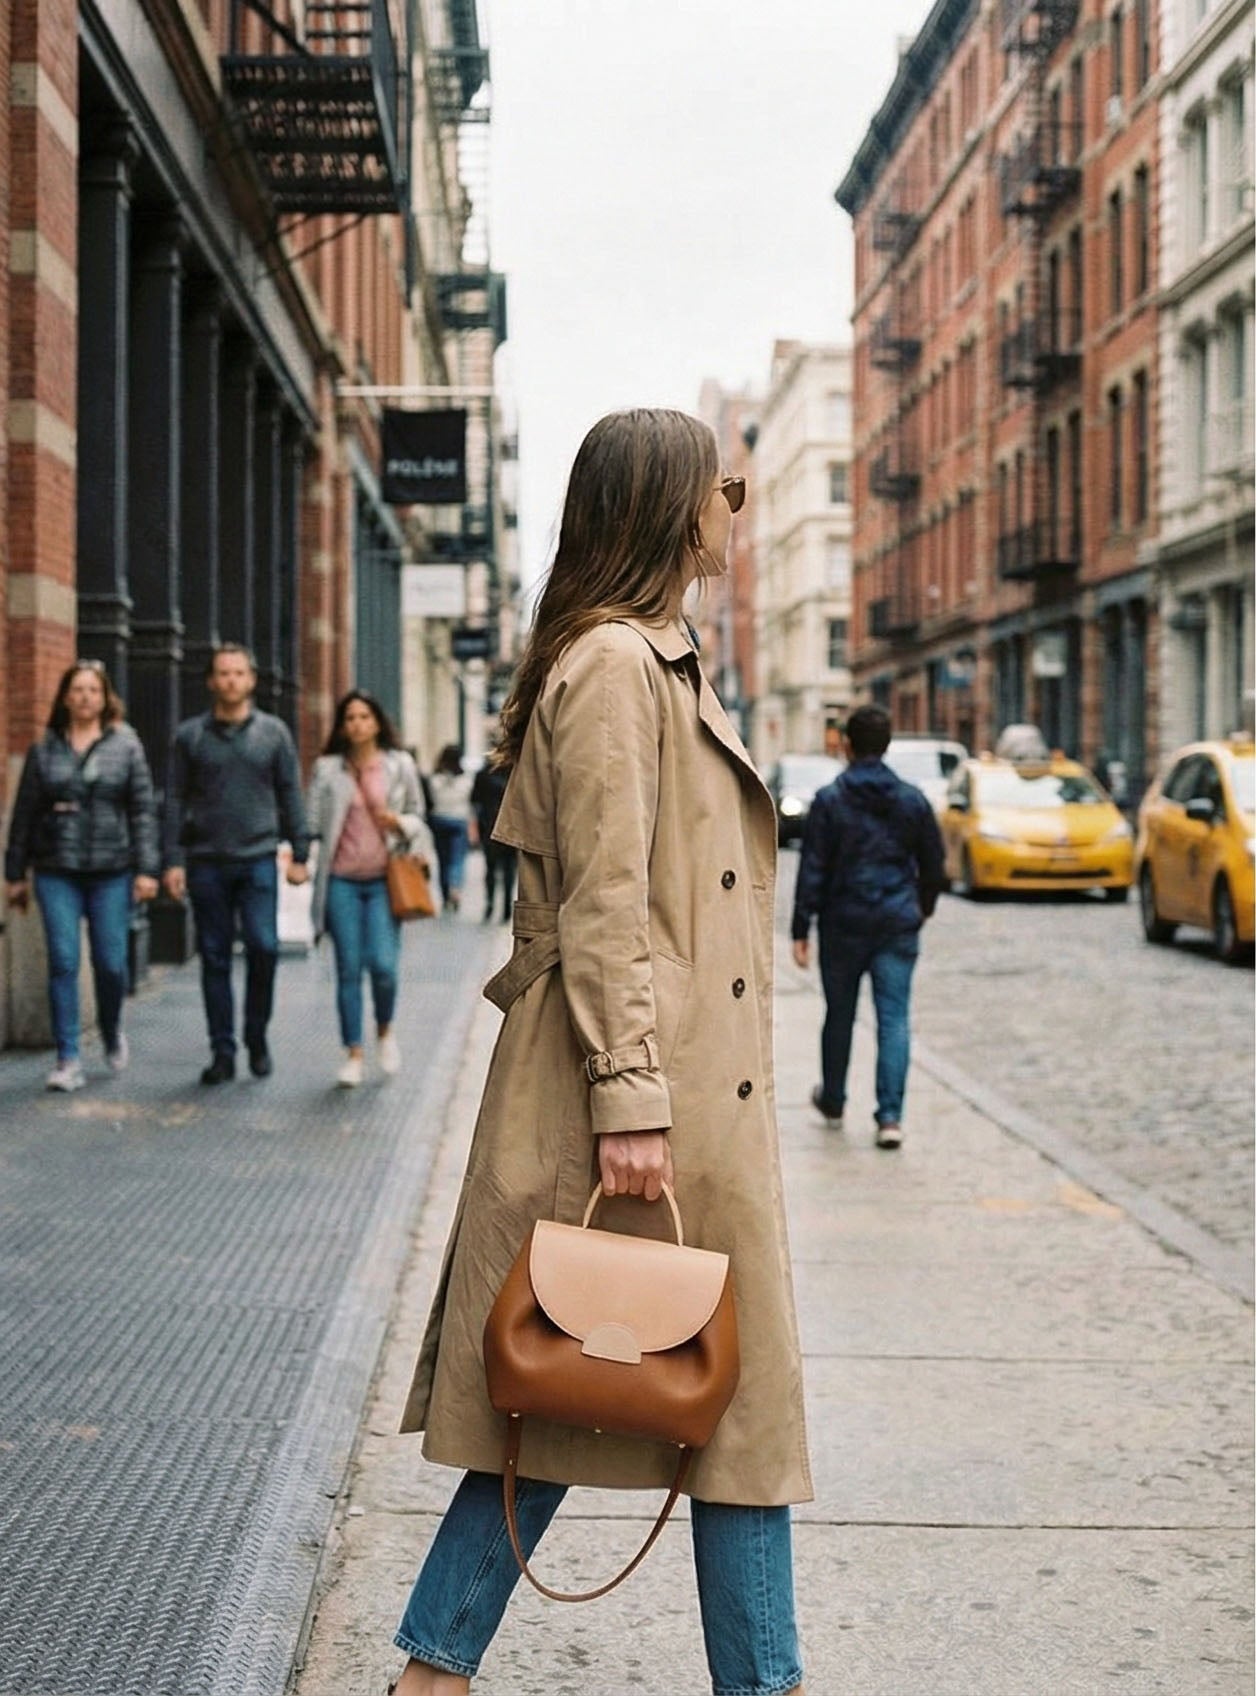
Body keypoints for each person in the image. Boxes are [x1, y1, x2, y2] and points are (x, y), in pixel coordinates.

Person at [388, 410, 810, 1696]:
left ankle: (432, 1676)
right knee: (615, 1388)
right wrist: (630, 1096)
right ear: (672, 505)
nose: (735, 507)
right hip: (636, 1091)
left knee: (627, 1397)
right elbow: (606, 901)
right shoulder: (620, 665)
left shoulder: (649, 657)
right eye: (726, 487)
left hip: (674, 1084)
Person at [791, 703, 947, 1150]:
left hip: (843, 922)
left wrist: (801, 928)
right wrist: (922, 907)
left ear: (847, 746)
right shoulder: (912, 799)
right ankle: (890, 1117)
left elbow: (813, 867)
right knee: (894, 1018)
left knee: (839, 1014)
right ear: (888, 745)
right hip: (896, 921)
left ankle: (834, 1099)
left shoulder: (830, 800)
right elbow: (934, 863)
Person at [3, 660, 159, 1090]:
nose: (85, 697)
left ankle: (110, 1028)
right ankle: (68, 1057)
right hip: (57, 869)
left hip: (112, 870)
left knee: (110, 962)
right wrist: (15, 874)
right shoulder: (45, 750)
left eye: (93, 690)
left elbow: (143, 811)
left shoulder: (126, 746)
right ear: (66, 698)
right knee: (64, 959)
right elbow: (24, 814)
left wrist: (147, 869)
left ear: (105, 698)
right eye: (78, 690)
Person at [162, 644, 310, 1085]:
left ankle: (256, 1035)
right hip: (206, 861)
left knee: (264, 947)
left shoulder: (274, 734)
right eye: (223, 673)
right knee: (215, 956)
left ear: (251, 680)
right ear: (212, 681)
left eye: (239, 673)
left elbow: (290, 793)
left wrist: (300, 852)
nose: (231, 680)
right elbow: (174, 799)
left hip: (258, 858)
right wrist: (172, 860)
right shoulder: (190, 736)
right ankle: (222, 1051)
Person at [306, 691, 433, 1087]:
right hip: (340, 881)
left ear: (377, 722)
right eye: (350, 718)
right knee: (348, 968)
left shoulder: (398, 765)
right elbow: (313, 824)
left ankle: (384, 1030)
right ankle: (354, 1053)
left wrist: (400, 823)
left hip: (383, 880)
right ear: (342, 726)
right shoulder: (328, 769)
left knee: (383, 967)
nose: (357, 724)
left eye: (364, 716)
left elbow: (418, 814)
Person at [426, 745, 475, 913]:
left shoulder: (435, 778)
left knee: (443, 860)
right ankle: (455, 887)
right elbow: (470, 800)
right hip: (459, 820)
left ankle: (445, 894)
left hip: (439, 819)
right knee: (457, 859)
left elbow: (431, 799)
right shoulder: (466, 779)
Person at [470, 761, 515, 923]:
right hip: (511, 826)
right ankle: (506, 908)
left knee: (491, 868)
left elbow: (475, 800)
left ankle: (490, 905)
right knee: (509, 869)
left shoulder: (484, 773)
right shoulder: (516, 770)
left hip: (489, 825)